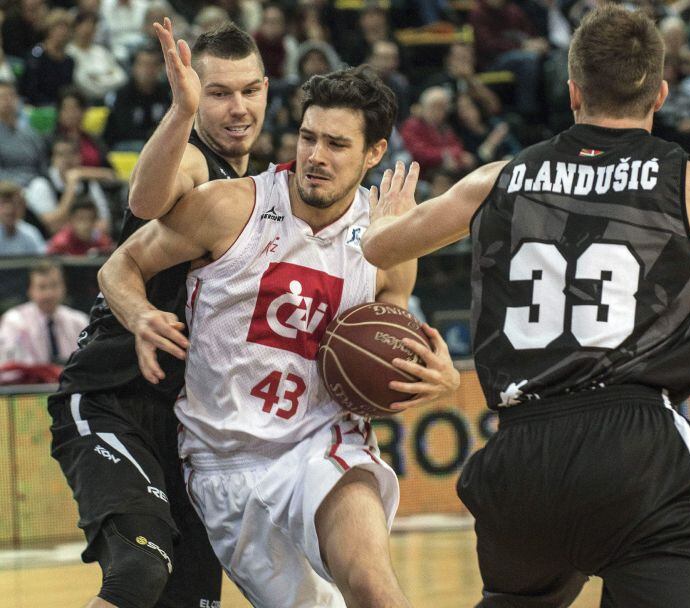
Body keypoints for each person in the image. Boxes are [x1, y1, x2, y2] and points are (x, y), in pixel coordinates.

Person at [362, 5, 690, 606]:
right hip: (635, 449)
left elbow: (379, 249)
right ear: (659, 92)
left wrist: (383, 222)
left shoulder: (497, 179)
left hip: (520, 455)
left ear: (573, 90)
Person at [97, 66, 459, 608]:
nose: (316, 156)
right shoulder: (229, 206)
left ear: (374, 153)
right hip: (222, 460)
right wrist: (141, 314)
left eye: (337, 144)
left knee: (372, 586)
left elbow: (389, 363)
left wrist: (439, 379)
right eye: (309, 137)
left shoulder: (387, 244)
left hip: (324, 442)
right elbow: (119, 267)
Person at [46, 19, 267, 608]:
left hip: (185, 426)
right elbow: (145, 200)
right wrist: (180, 113)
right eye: (219, 93)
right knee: (140, 570)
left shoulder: (260, 196)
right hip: (109, 396)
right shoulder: (195, 163)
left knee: (193, 598)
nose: (238, 107)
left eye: (250, 90)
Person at [0, 261, 88, 365]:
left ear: (64, 287)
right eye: (42, 287)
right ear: (30, 290)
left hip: (72, 380)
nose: (49, 294)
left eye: (54, 285)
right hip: (30, 380)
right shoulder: (14, 321)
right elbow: (9, 366)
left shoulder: (79, 321)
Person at [25, 136, 115, 238]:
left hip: (87, 244)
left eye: (71, 154)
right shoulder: (41, 184)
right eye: (61, 154)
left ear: (79, 157)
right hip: (51, 248)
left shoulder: (88, 183)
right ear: (53, 159)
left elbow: (105, 224)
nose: (67, 159)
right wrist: (71, 186)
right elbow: (54, 226)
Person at [46, 197, 114, 256]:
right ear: (71, 220)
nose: (86, 224)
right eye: (81, 219)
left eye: (90, 219)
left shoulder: (103, 243)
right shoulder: (60, 244)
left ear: (95, 221)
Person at [0, 180, 46, 256]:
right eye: (4, 203)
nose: (10, 210)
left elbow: (43, 264)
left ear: (23, 207)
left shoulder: (31, 234)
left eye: (15, 204)